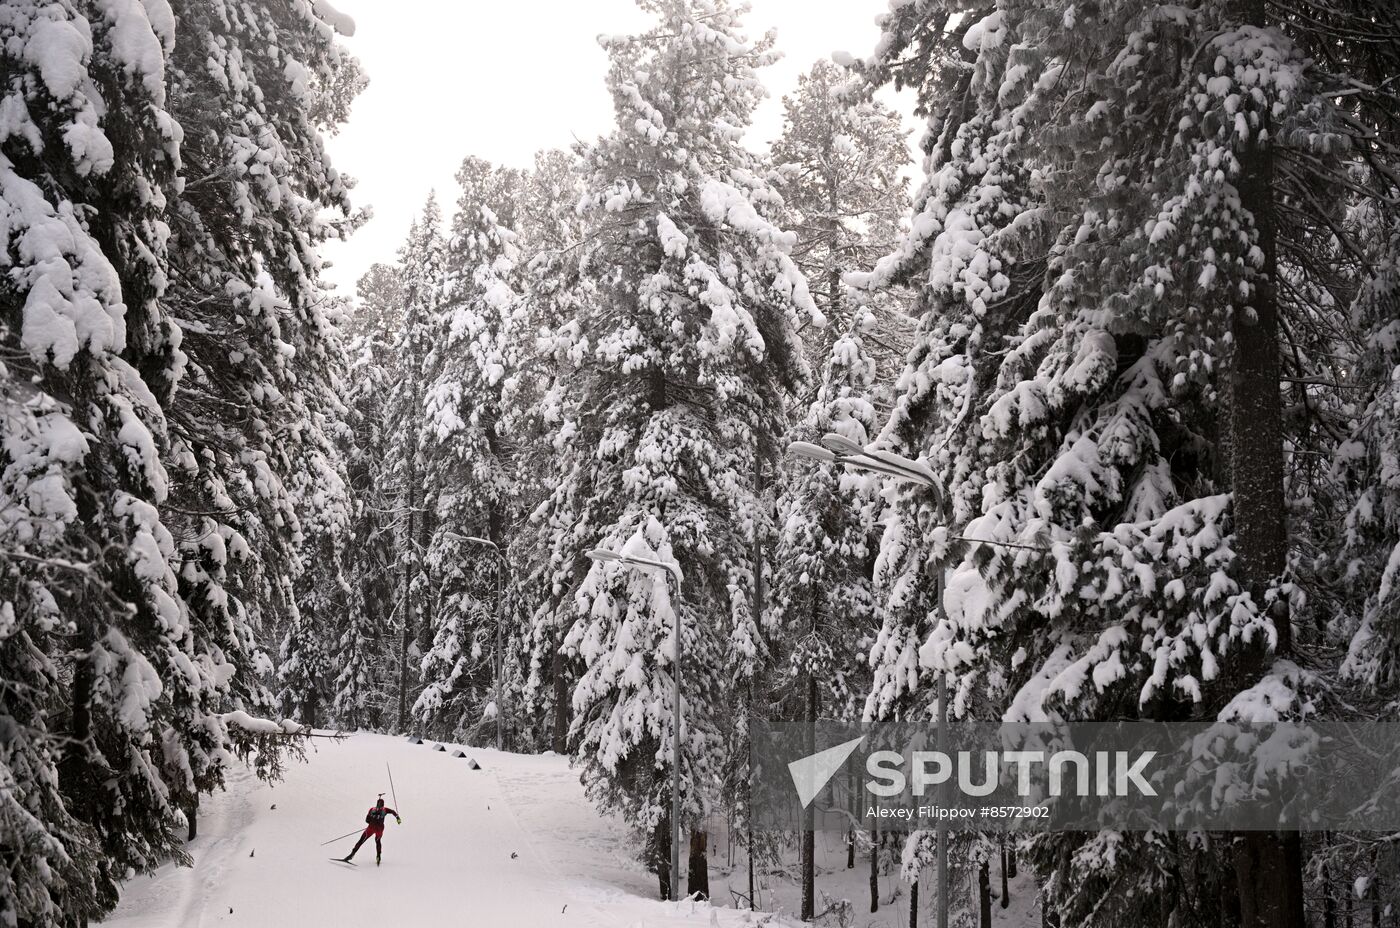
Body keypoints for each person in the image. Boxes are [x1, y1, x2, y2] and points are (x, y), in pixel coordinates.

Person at [341, 796, 401, 865]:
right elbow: (393, 812)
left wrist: (371, 821)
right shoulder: (385, 810)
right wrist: (397, 818)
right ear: (383, 805)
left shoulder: (372, 809)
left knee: (361, 841)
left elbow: (367, 820)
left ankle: (351, 855)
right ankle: (378, 856)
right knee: (377, 841)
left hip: (371, 828)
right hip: (379, 829)